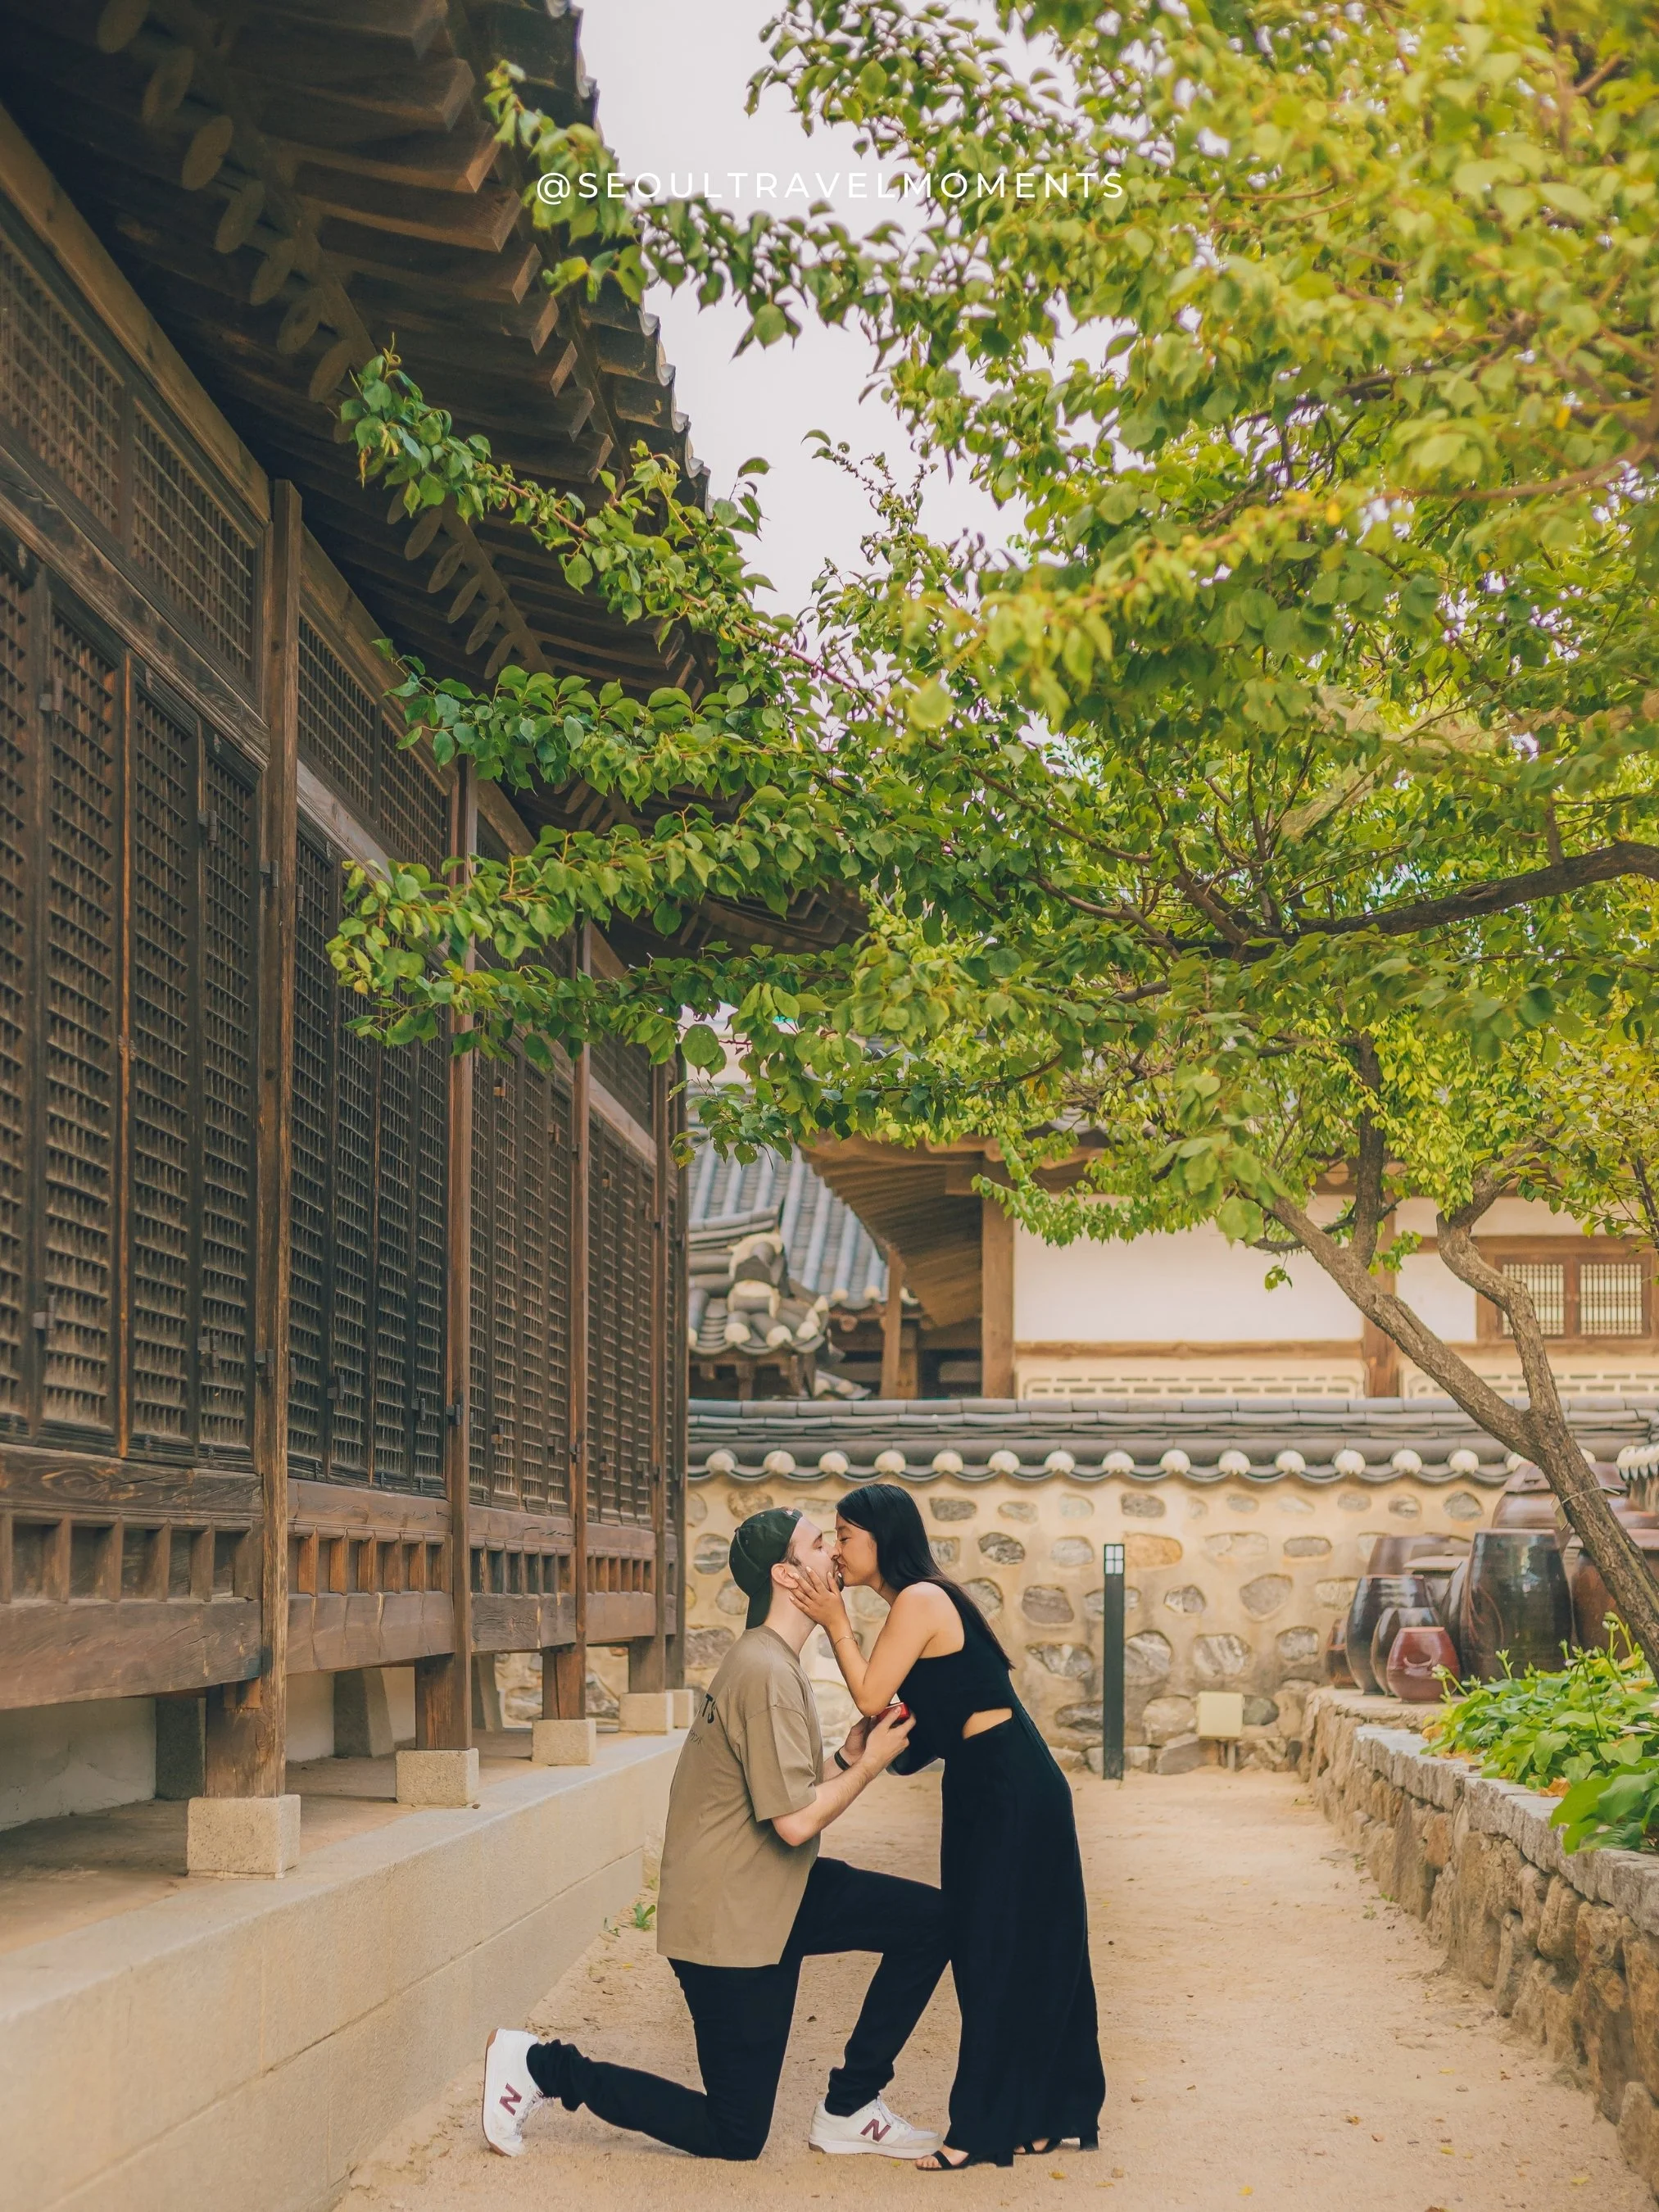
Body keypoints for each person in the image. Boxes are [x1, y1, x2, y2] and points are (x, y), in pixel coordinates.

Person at [481, 1505, 951, 2164]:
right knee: (735, 2134)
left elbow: (779, 1793)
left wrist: (843, 1760)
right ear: (787, 1576)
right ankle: (540, 2067)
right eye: (820, 1545)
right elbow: (793, 1823)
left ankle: (850, 2105)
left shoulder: (772, 1661)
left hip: (774, 1894)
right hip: (728, 1924)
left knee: (932, 1921)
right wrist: (870, 1767)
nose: (835, 1557)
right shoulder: (763, 1671)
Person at [782, 1481, 1105, 2171]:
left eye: (845, 1536)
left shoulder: (921, 1600)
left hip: (1010, 1790)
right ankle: (1041, 2115)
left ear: (881, 1538)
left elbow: (871, 1691)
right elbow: (915, 1718)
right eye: (833, 1538)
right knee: (1005, 1947)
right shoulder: (919, 1604)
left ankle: (980, 2131)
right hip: (986, 1787)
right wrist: (861, 1748)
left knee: (997, 1950)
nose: (837, 1550)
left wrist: (835, 1622)